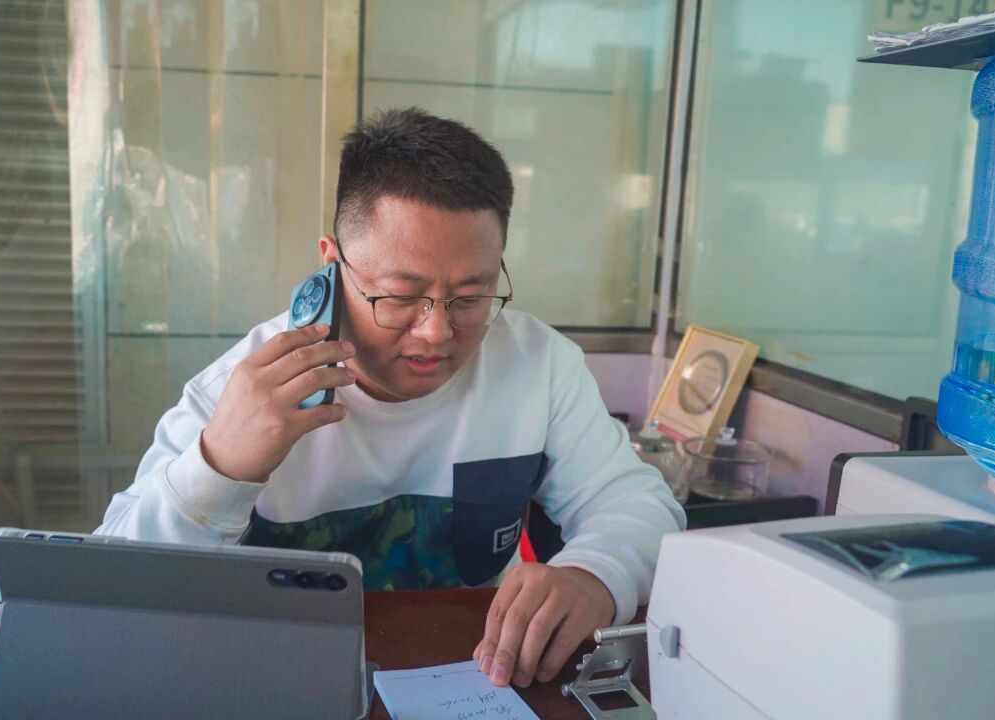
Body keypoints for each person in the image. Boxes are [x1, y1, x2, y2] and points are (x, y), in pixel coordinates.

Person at [97, 107, 685, 688]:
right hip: (278, 682)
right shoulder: (240, 391)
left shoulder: (539, 365)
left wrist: (595, 573)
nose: (436, 331)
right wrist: (218, 469)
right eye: (400, 296)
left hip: (480, 679)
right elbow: (102, 588)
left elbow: (639, 504)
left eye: (470, 296)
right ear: (333, 264)